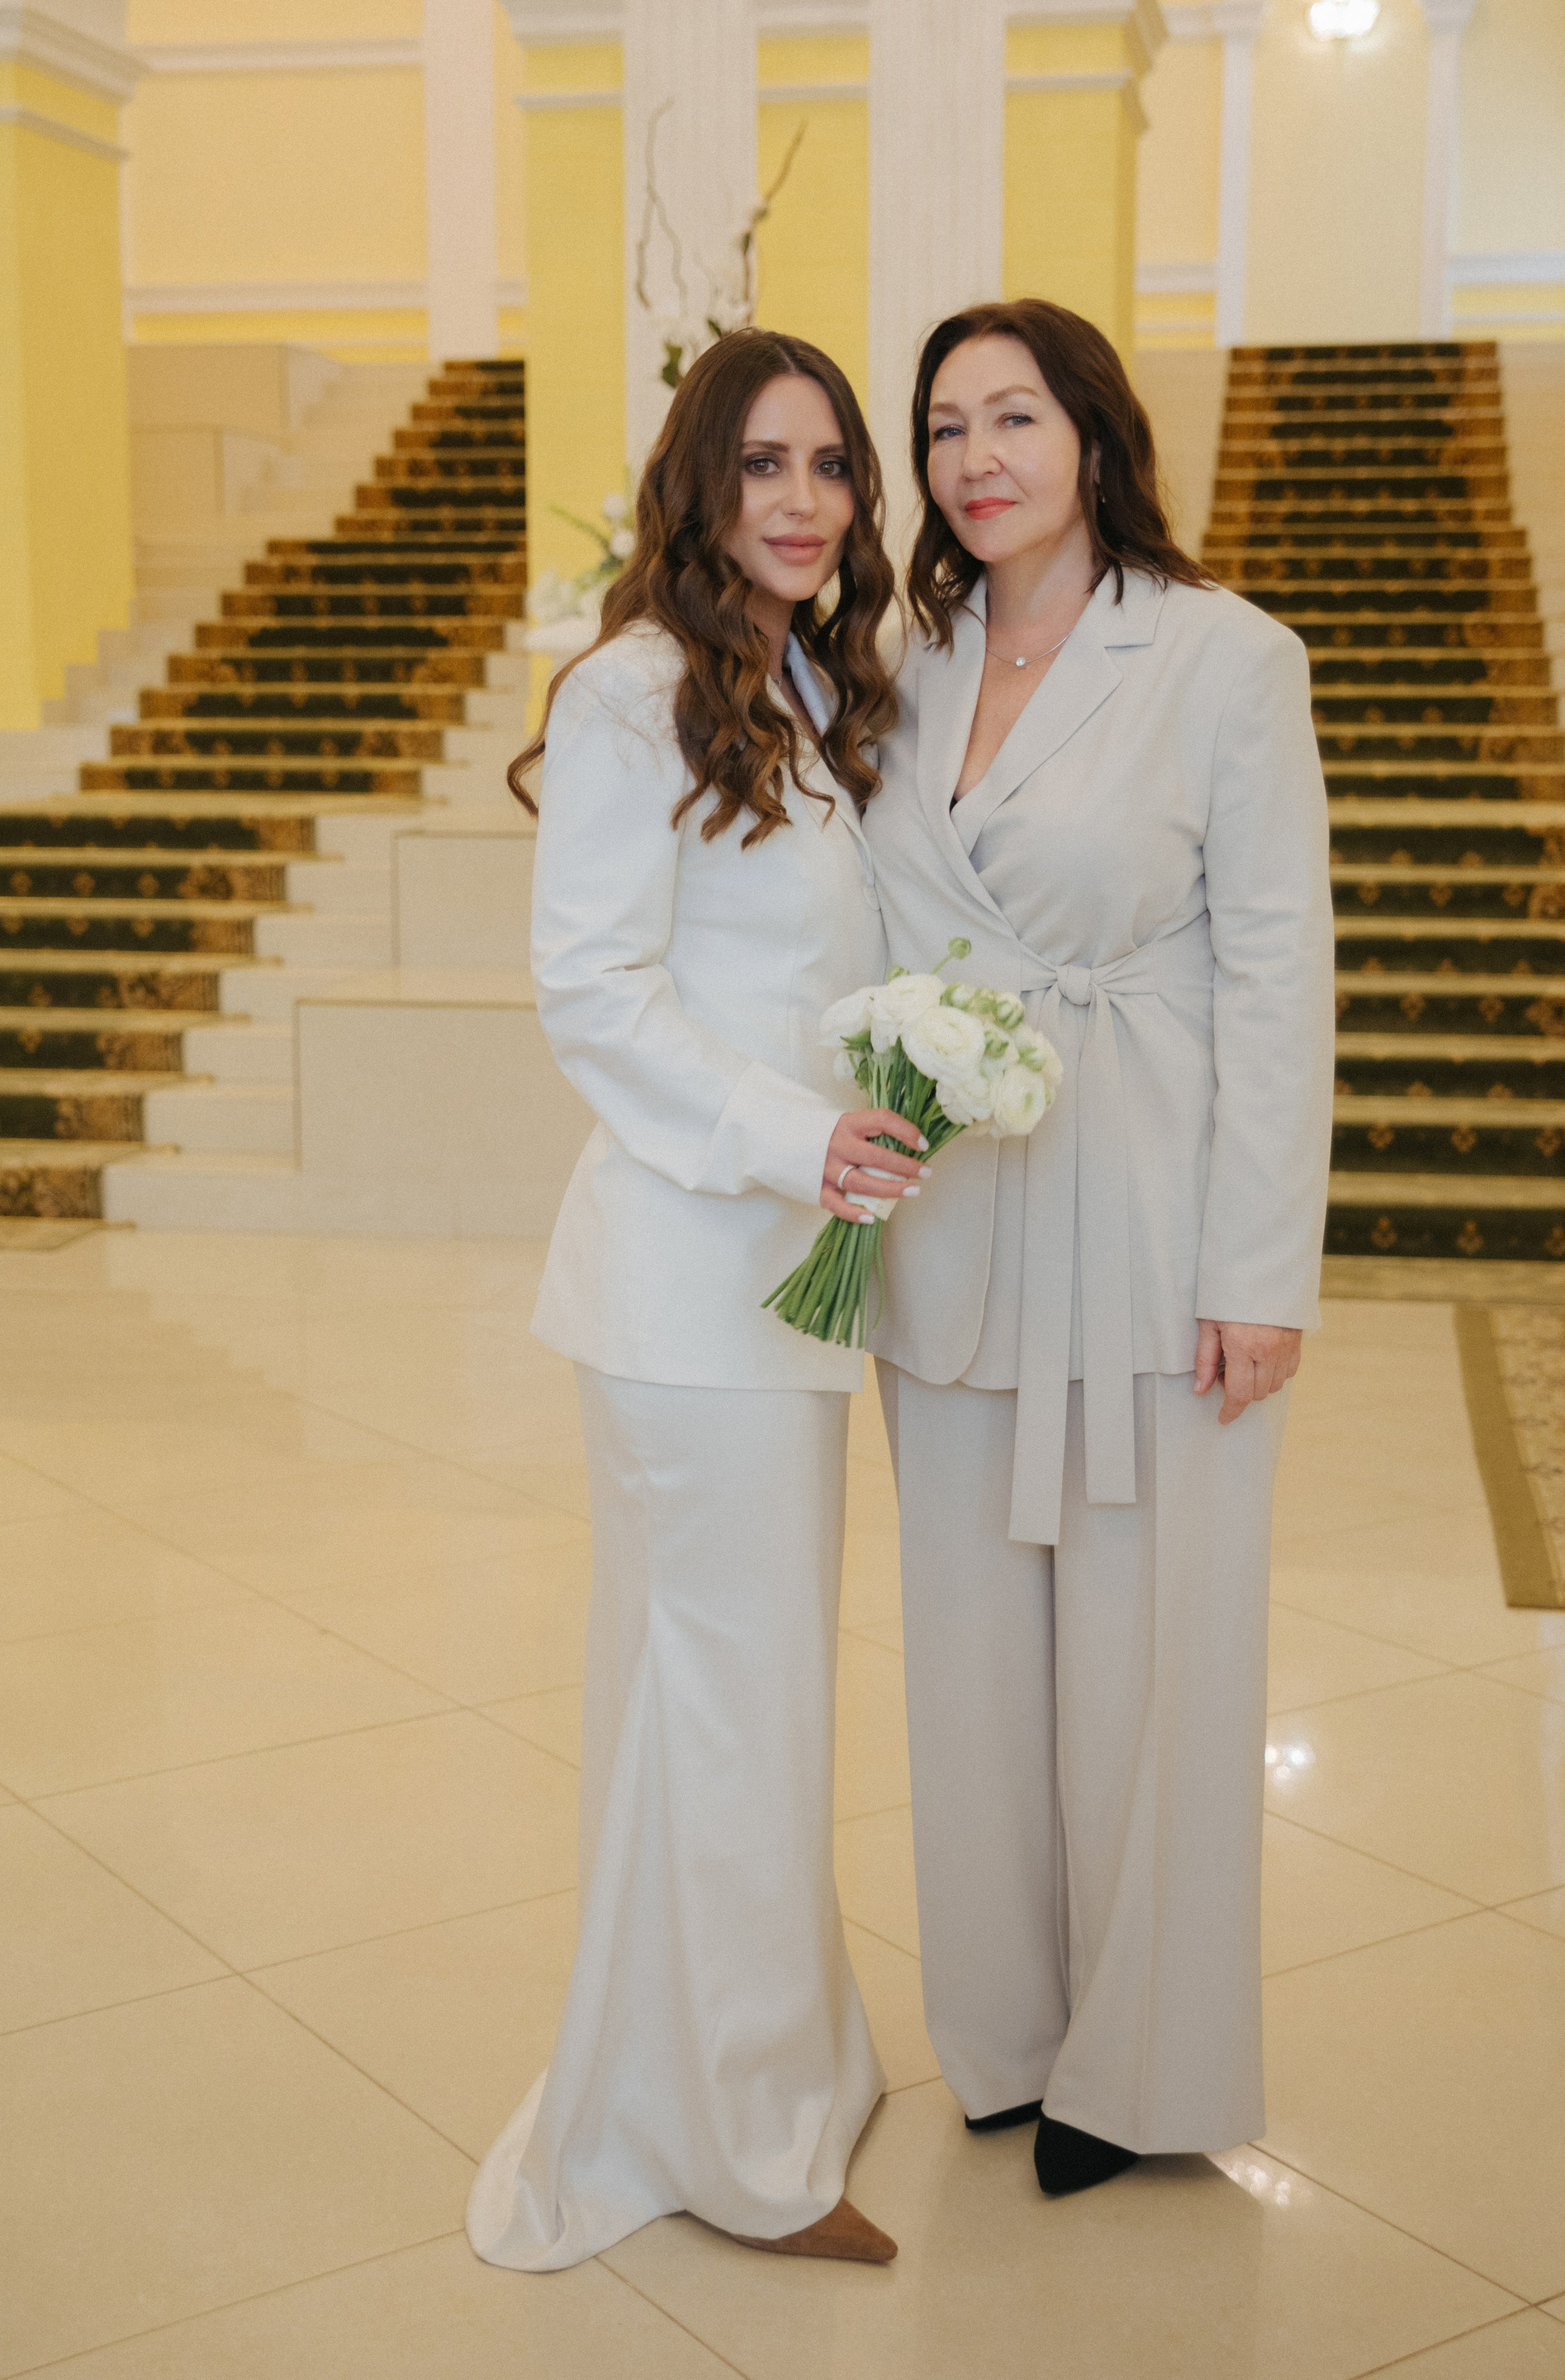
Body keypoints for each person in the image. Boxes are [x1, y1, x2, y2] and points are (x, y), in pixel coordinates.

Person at [465, 329, 927, 2273]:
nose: (802, 500)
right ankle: (741, 2151)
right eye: (762, 464)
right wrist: (794, 1137)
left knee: (737, 1700)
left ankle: (767, 2062)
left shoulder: (804, 680)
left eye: (830, 464)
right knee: (724, 1708)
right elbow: (594, 992)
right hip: (684, 1290)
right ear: (698, 483)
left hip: (783, 1290)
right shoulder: (633, 690)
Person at [862, 298, 1333, 2199]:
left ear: (1094, 434)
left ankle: (1142, 2069)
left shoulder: (1225, 655)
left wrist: (1259, 1271)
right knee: (970, 1660)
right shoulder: (904, 664)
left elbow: (1281, 972)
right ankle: (1004, 2030)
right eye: (945, 426)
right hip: (958, 1221)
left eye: (1014, 417)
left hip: (1149, 1214)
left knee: (1155, 1665)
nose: (976, 458)